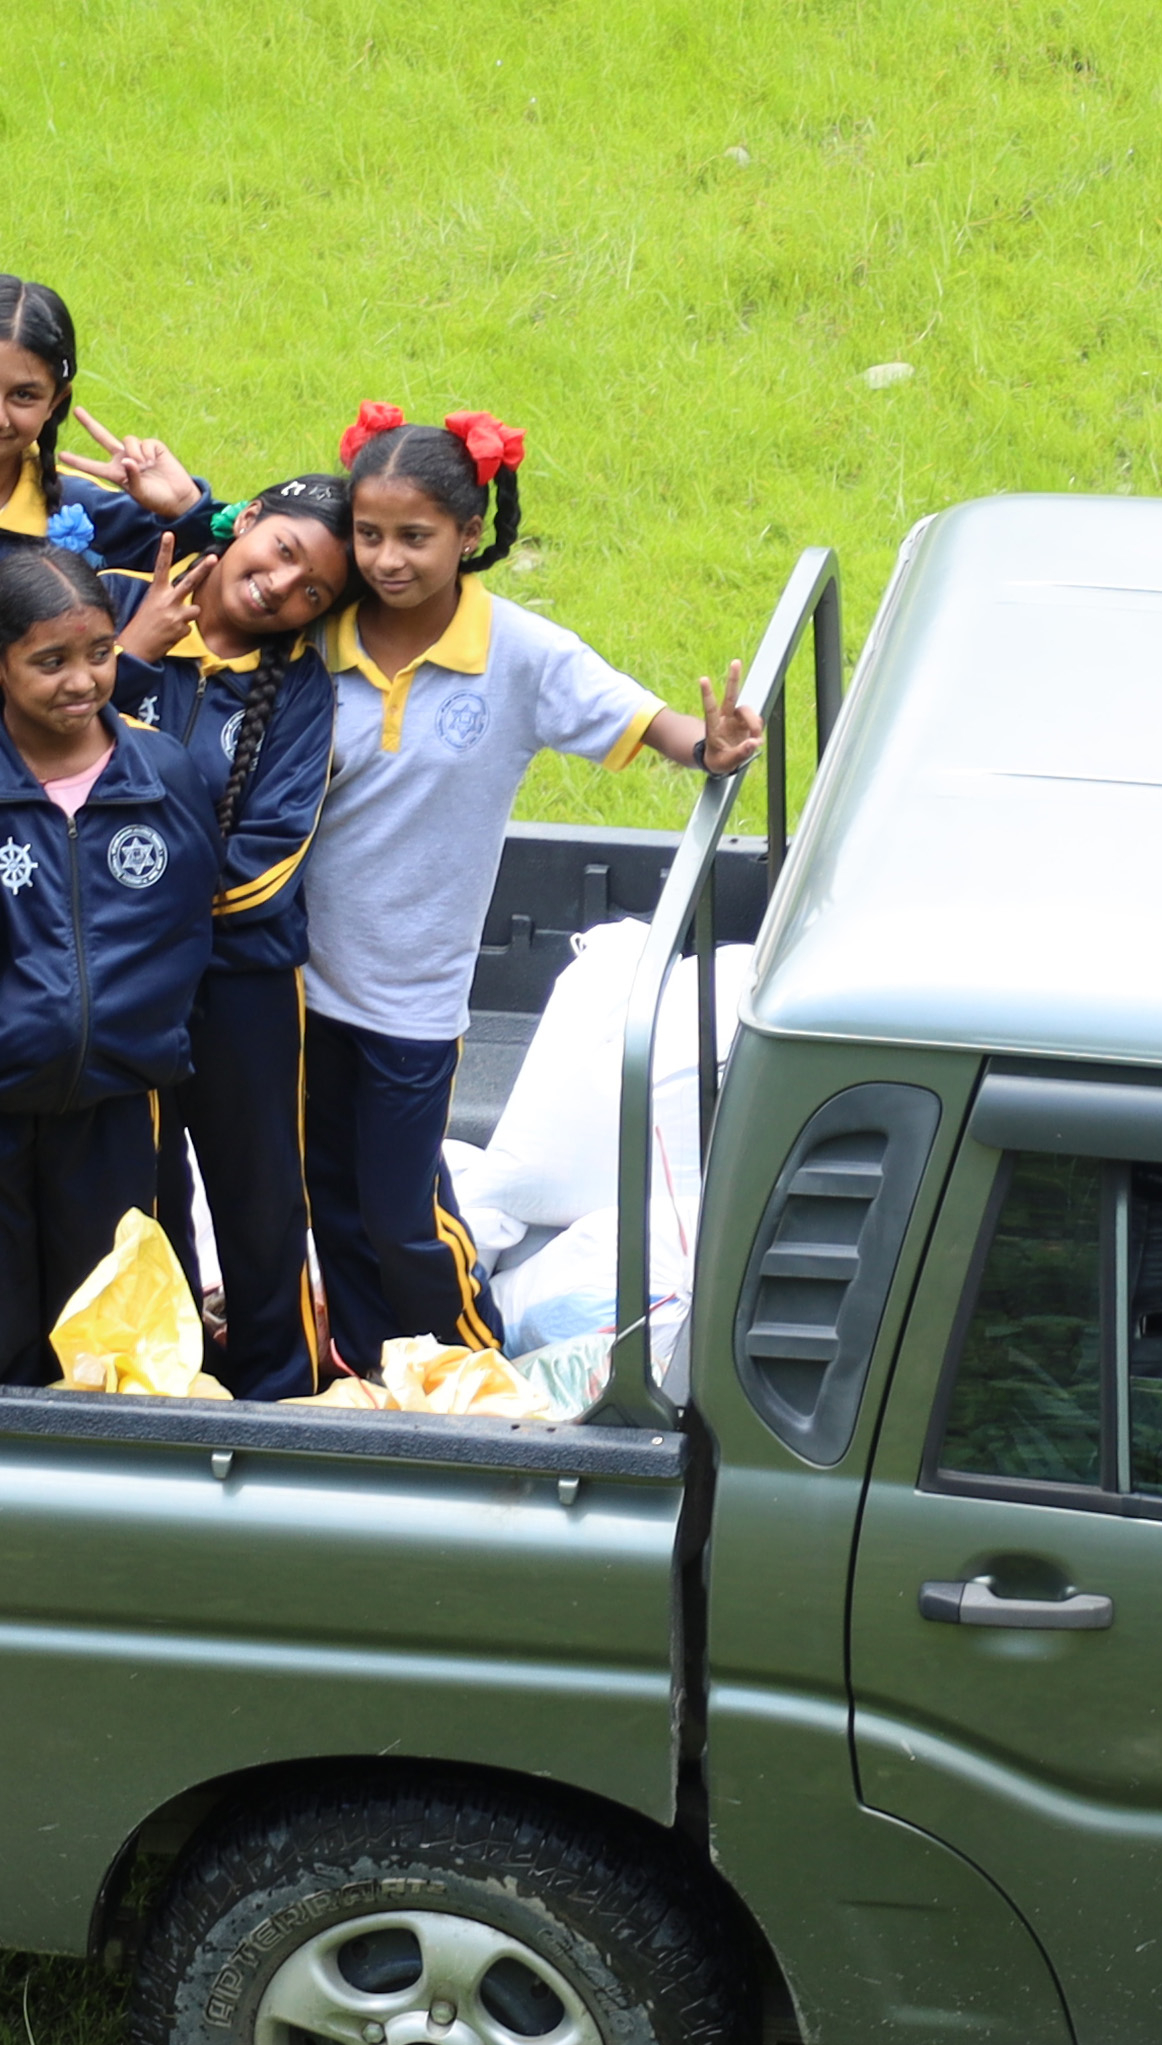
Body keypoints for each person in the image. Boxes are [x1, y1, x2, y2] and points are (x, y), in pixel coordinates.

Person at [296, 406, 758, 1374]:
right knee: (329, 1196)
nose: (386, 559)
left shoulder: (519, 654)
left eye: (414, 537)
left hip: (411, 1000)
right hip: (299, 982)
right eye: (369, 535)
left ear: (469, 535)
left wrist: (707, 744)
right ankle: (376, 1365)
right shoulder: (316, 636)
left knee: (404, 1209)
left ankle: (477, 1362)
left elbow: (642, 720)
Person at [0, 549, 239, 1385]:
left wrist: (148, 1040)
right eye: (50, 661)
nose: (82, 681)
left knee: (109, 1332)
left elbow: (189, 930)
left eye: (100, 653)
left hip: (116, 1107)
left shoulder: (164, 771)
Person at [112, 476, 356, 1395]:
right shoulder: (120, 604)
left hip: (240, 983)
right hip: (119, 981)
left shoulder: (299, 690)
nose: (282, 589)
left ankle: (279, 1389)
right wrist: (132, 655)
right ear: (245, 520)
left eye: (314, 593)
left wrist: (121, 905)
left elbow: (266, 862)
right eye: (283, 551)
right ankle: (170, 1378)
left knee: (258, 1193)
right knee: (143, 1185)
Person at [0, 276, 174, 581]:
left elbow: (222, 573)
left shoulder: (88, 511)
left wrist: (186, 507)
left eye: (23, 395)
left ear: (56, 401)